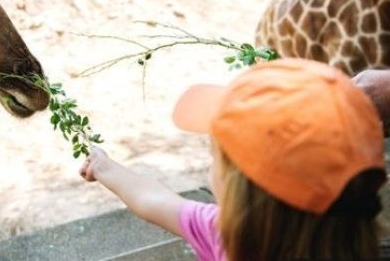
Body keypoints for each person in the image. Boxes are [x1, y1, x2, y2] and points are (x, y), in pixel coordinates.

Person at [80, 58, 386, 261]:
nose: (210, 167)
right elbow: (152, 199)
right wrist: (105, 168)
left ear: (245, 195)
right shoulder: (351, 238)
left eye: (216, 157)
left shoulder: (227, 238)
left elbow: (155, 201)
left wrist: (104, 168)